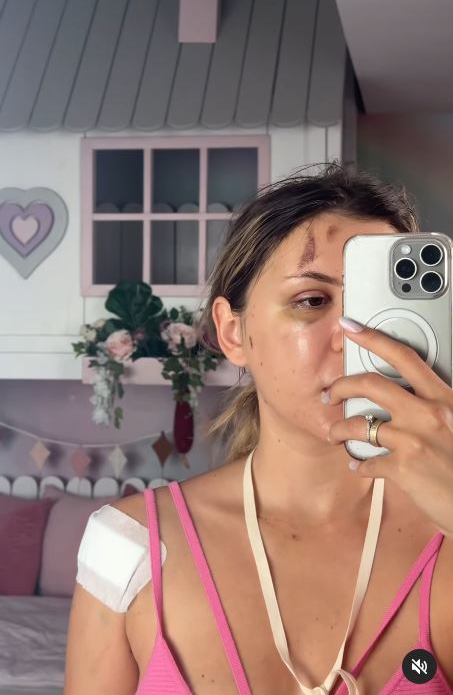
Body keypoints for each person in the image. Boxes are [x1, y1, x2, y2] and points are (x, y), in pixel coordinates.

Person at [64, 162, 453, 695]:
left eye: (377, 307)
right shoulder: (126, 547)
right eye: (312, 301)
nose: (355, 338)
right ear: (233, 332)